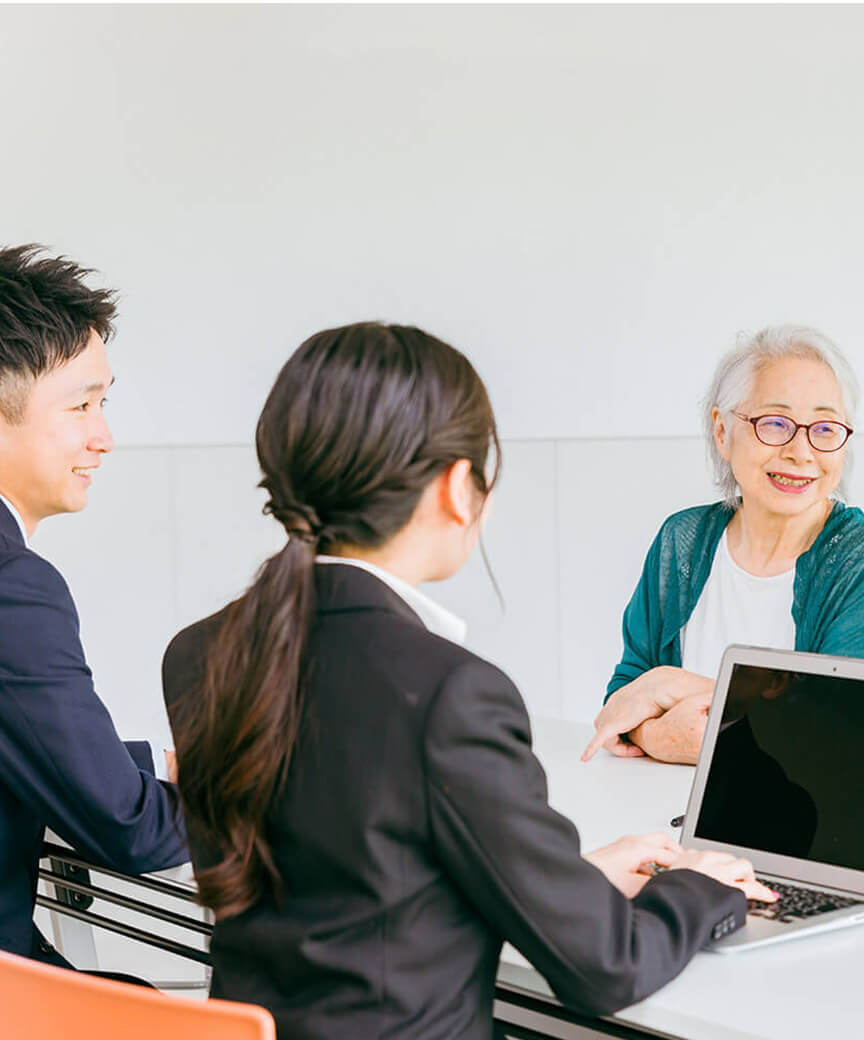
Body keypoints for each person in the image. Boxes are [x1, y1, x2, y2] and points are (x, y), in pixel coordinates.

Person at [162, 322, 773, 1040]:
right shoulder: (450, 693)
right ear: (458, 486)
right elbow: (605, 966)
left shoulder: (201, 653)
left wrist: (568, 881)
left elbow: (356, 886)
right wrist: (699, 890)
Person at [585, 325, 864, 765]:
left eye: (825, 428)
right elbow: (625, 698)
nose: (801, 451)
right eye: (775, 423)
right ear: (722, 431)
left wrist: (673, 687)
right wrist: (659, 734)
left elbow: (842, 729)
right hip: (661, 812)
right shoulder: (682, 542)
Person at [0, 244, 187, 967]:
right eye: (81, 405)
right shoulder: (16, 587)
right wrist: (256, 787)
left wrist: (151, 764)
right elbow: (132, 833)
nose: (102, 438)